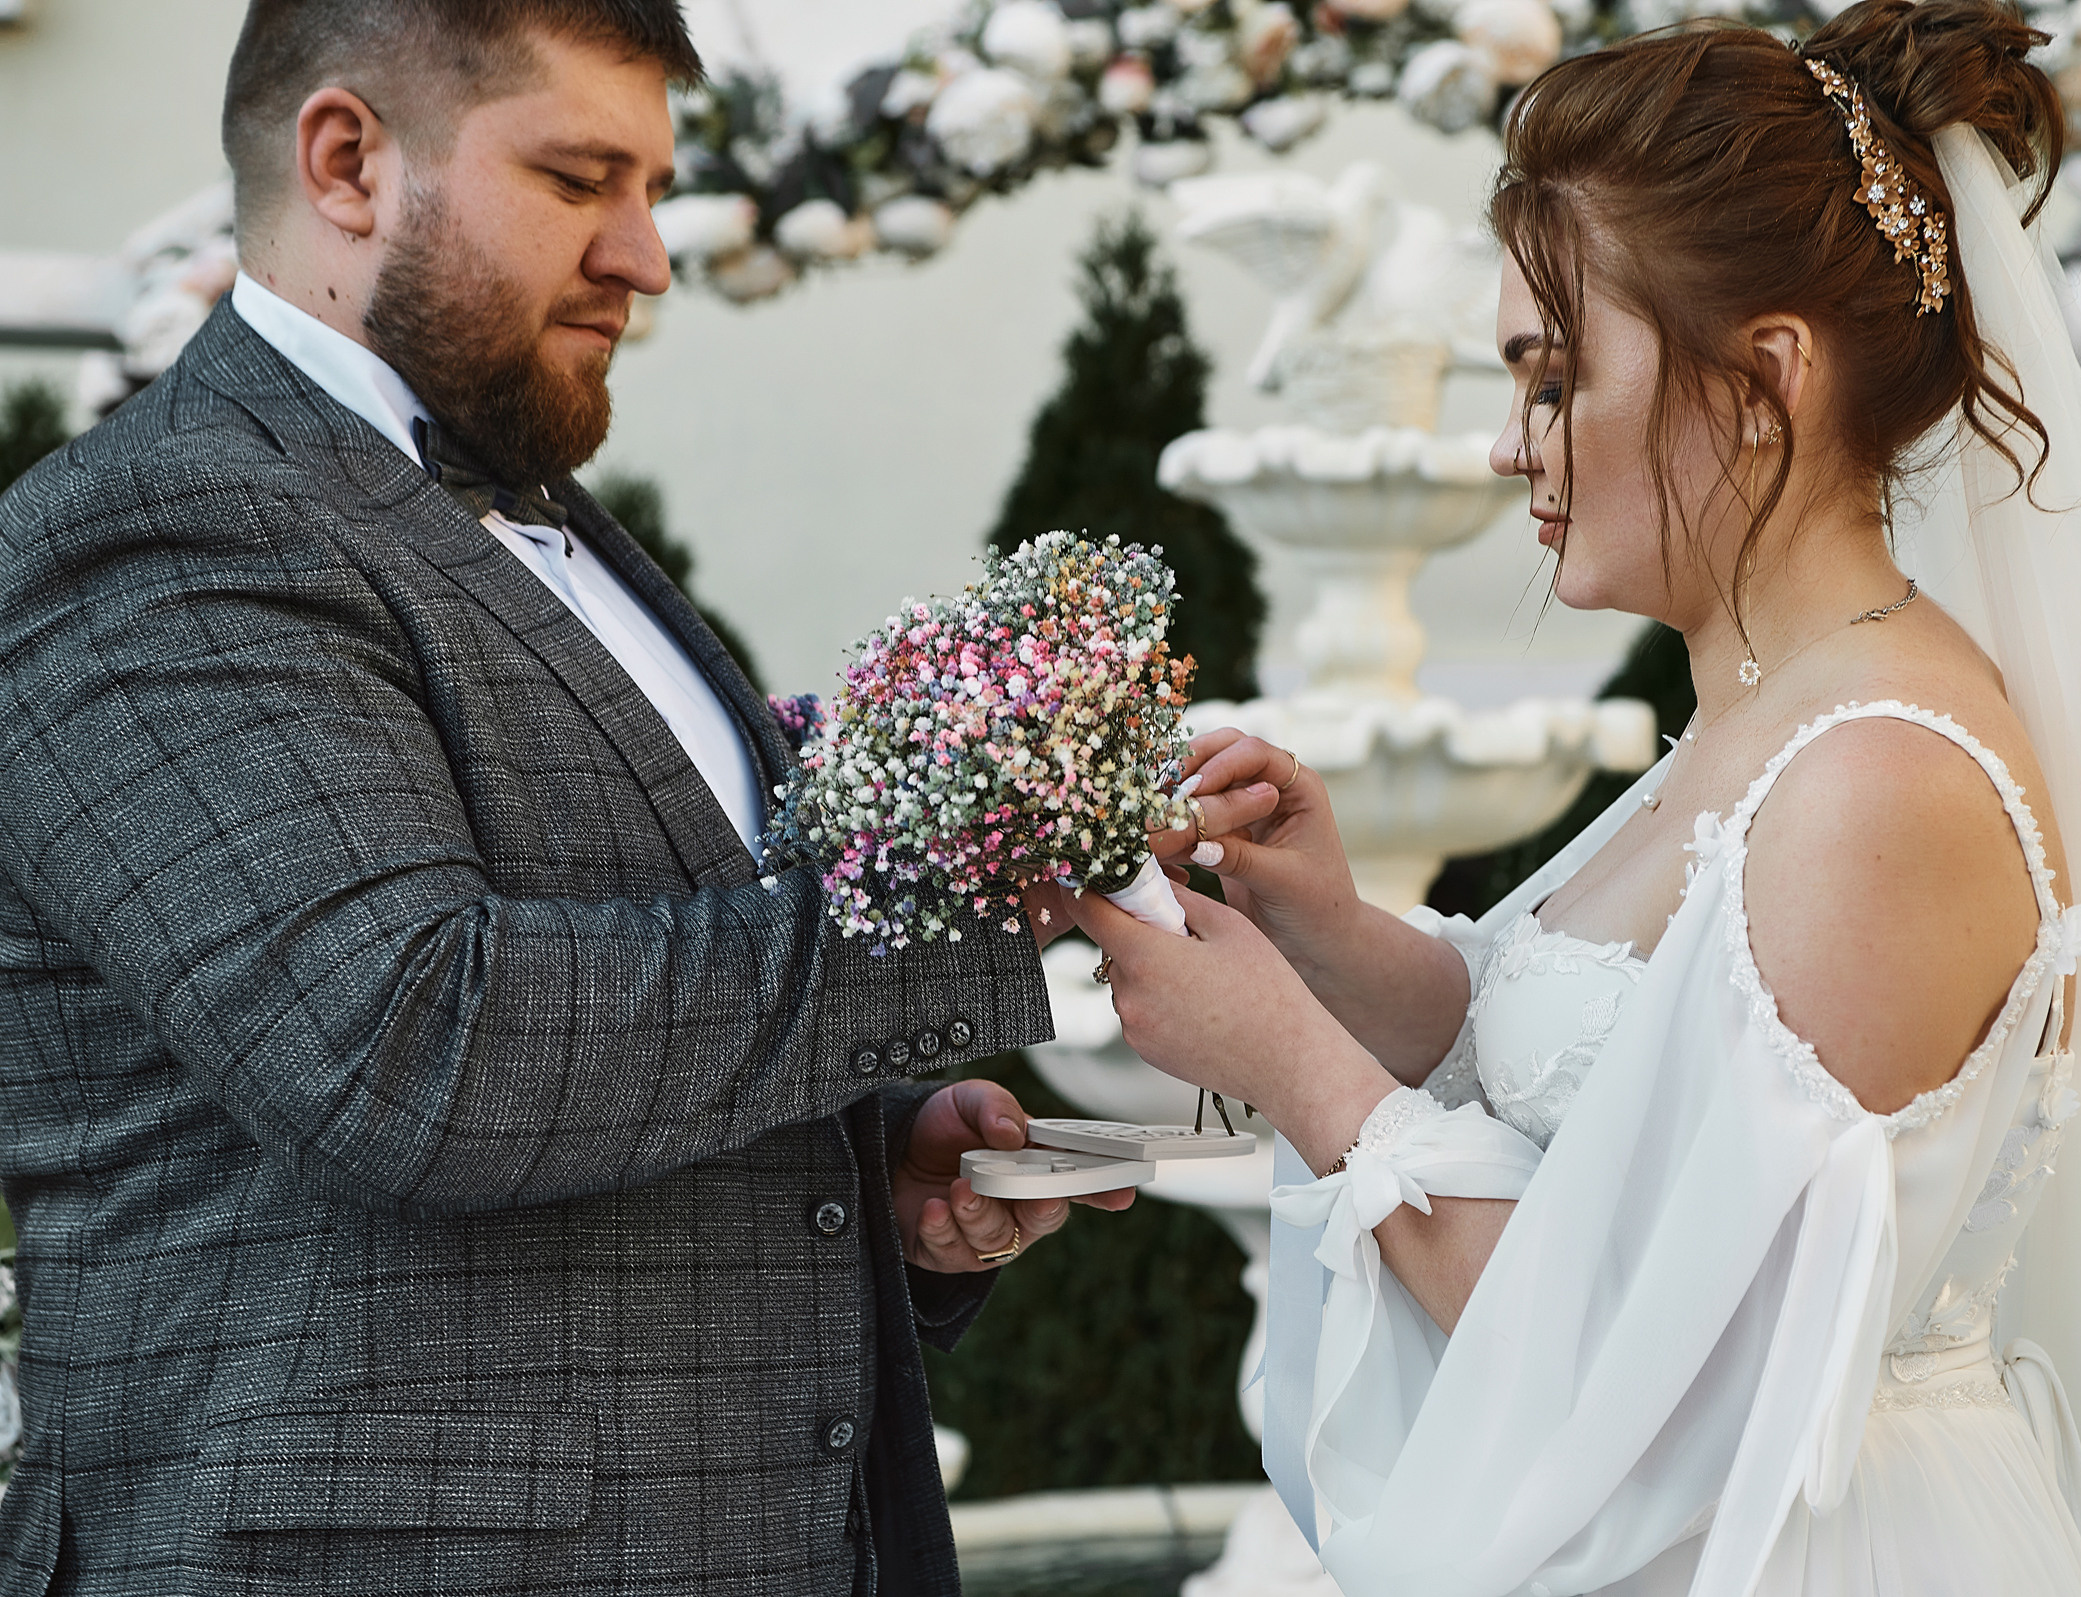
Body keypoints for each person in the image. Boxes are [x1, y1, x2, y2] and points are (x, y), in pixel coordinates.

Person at [1078, 3, 2081, 1593]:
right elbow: (1627, 1080)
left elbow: (1653, 1376)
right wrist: (1336, 936)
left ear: (1766, 377)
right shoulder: (1772, 714)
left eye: (1554, 379)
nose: (1510, 448)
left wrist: (1291, 1063)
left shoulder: (1881, 785)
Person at [0, 3, 1277, 1593]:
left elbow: (646, 973)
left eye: (654, 188)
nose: (647, 256)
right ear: (346, 163)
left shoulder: (557, 527)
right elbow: (417, 1049)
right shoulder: (162, 530)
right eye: (579, 178)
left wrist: (869, 1165)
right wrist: (967, 906)